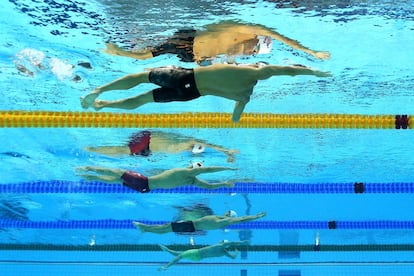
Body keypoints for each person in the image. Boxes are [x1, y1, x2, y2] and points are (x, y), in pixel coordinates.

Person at [81, 63, 332, 122]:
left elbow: (288, 70)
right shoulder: (245, 93)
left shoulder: (255, 71)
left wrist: (315, 72)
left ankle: (99, 90)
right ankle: (104, 105)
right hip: (190, 94)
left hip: (185, 76)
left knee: (141, 77)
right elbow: (234, 119)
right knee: (142, 100)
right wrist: (242, 103)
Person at [103, 21, 330, 64]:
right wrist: (312, 52)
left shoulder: (243, 51)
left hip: (192, 55)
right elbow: (285, 39)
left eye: (254, 53)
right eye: (254, 49)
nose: (251, 52)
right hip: (188, 41)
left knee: (150, 50)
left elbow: (223, 55)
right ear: (258, 39)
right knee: (146, 54)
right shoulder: (250, 30)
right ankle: (116, 51)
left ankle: (123, 45)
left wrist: (207, 61)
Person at [84, 130, 239, 162]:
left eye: (192, 151)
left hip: (148, 147)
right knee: (121, 151)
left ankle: (93, 149)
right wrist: (226, 151)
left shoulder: (183, 144)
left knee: (124, 153)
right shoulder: (187, 141)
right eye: (192, 147)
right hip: (146, 140)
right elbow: (207, 143)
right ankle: (90, 149)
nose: (189, 149)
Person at [76, 165, 237, 193]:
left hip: (144, 182)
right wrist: (225, 183)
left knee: (117, 172)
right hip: (145, 189)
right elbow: (209, 186)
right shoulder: (192, 181)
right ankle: (91, 177)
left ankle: (89, 169)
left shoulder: (185, 172)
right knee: (118, 181)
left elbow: (209, 169)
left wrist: (228, 169)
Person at [133, 211, 266, 234]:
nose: (226, 213)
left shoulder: (226, 220)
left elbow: (242, 219)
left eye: (228, 212)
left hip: (190, 225)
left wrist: (256, 216)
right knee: (166, 228)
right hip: (190, 225)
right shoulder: (220, 219)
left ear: (229, 215)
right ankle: (145, 228)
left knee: (166, 227)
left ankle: (144, 228)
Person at [158, 240, 249, 271]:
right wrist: (236, 252)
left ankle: (166, 267)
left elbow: (232, 242)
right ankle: (166, 249)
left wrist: (242, 242)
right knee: (178, 254)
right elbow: (233, 257)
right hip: (198, 258)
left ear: (223, 243)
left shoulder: (219, 246)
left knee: (179, 256)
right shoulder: (224, 252)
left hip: (196, 252)